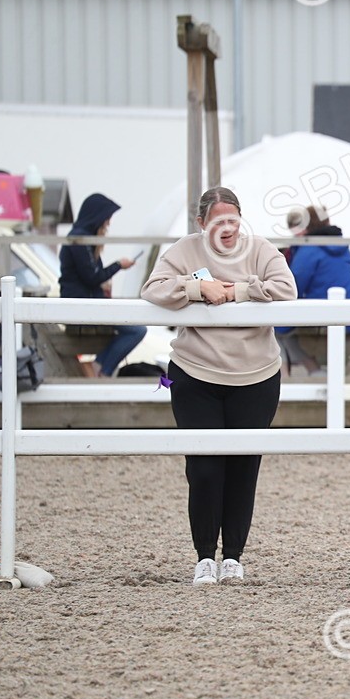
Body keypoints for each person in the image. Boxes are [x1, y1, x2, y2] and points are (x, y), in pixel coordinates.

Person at [140, 186, 297, 585]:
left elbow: (285, 288)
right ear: (201, 223)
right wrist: (196, 289)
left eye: (233, 220)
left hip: (256, 375)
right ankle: (204, 556)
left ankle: (234, 556)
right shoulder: (184, 250)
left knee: (244, 468)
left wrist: (237, 291)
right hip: (194, 373)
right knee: (205, 468)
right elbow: (153, 288)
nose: (226, 228)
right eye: (218, 221)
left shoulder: (260, 248)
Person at [58, 192, 147, 376]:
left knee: (134, 328)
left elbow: (91, 275)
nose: (108, 223)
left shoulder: (81, 237)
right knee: (136, 330)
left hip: (87, 302)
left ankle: (98, 368)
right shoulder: (80, 239)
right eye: (107, 218)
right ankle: (101, 369)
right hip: (83, 304)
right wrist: (118, 266)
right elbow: (92, 277)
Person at [275, 204, 350, 375]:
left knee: (273, 326)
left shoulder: (309, 249)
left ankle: (292, 374)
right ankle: (312, 370)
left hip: (322, 318)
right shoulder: (344, 249)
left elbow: (292, 287)